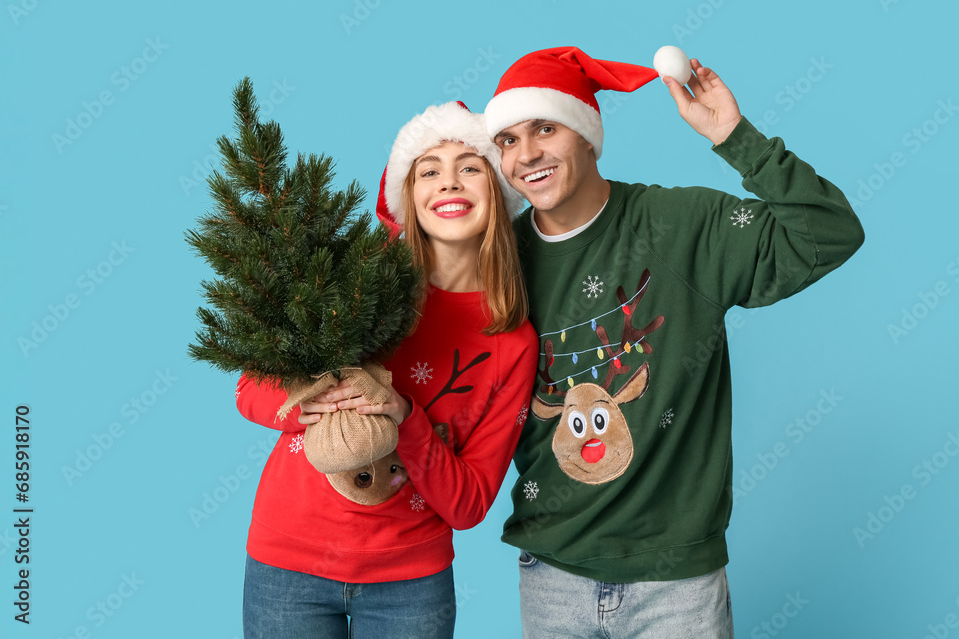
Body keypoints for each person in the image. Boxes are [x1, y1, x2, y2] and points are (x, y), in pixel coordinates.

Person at [482, 46, 865, 638]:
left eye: (545, 128)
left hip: (677, 586)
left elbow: (830, 233)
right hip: (552, 575)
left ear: (586, 134)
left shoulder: (680, 226)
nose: (526, 152)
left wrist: (736, 137)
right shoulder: (498, 262)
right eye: (506, 139)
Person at [235, 101, 538, 639]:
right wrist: (302, 404)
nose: (449, 183)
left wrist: (407, 416)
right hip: (288, 564)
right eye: (429, 171)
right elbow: (248, 390)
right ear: (408, 194)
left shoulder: (512, 342)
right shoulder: (358, 279)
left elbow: (468, 504)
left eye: (469, 166)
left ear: (498, 191)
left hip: (410, 584)